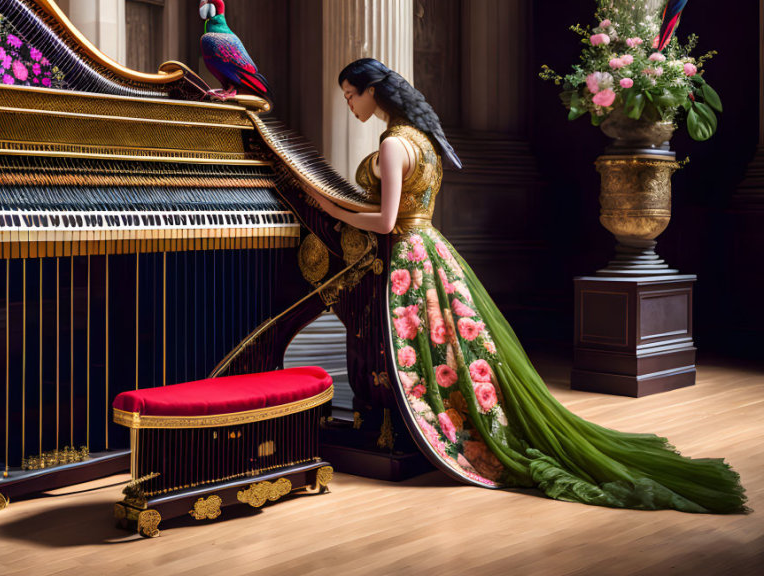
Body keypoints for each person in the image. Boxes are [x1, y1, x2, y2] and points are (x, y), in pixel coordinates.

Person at [305, 57, 747, 513]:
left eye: (350, 94)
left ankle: (412, 428)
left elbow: (386, 220)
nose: (348, 103)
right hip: (428, 248)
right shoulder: (420, 138)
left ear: (372, 92)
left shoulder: (395, 143)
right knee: (447, 350)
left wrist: (325, 205)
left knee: (430, 349)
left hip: (405, 254)